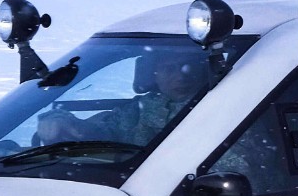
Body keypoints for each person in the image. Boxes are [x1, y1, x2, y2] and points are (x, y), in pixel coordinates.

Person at [36, 52, 207, 146]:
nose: (180, 77)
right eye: (169, 69)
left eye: (188, 67)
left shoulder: (217, 105)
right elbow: (100, 131)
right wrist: (63, 122)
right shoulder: (142, 108)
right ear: (154, 75)